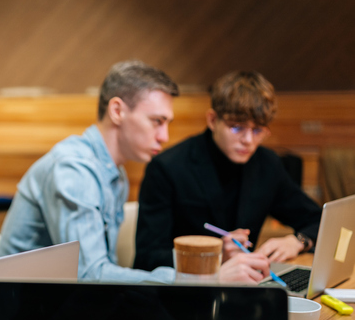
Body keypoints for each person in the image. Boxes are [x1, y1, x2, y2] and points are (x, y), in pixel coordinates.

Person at [0, 60, 269, 284]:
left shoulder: (115, 174)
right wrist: (205, 279)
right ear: (117, 111)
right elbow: (91, 277)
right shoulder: (73, 168)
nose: (164, 136)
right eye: (156, 122)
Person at [134, 71, 322, 273]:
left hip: (244, 287)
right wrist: (213, 254)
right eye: (236, 128)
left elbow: (319, 220)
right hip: (184, 295)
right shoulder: (167, 167)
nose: (248, 140)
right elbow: (147, 258)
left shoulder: (267, 165)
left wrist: (298, 241)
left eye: (257, 130)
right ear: (213, 120)